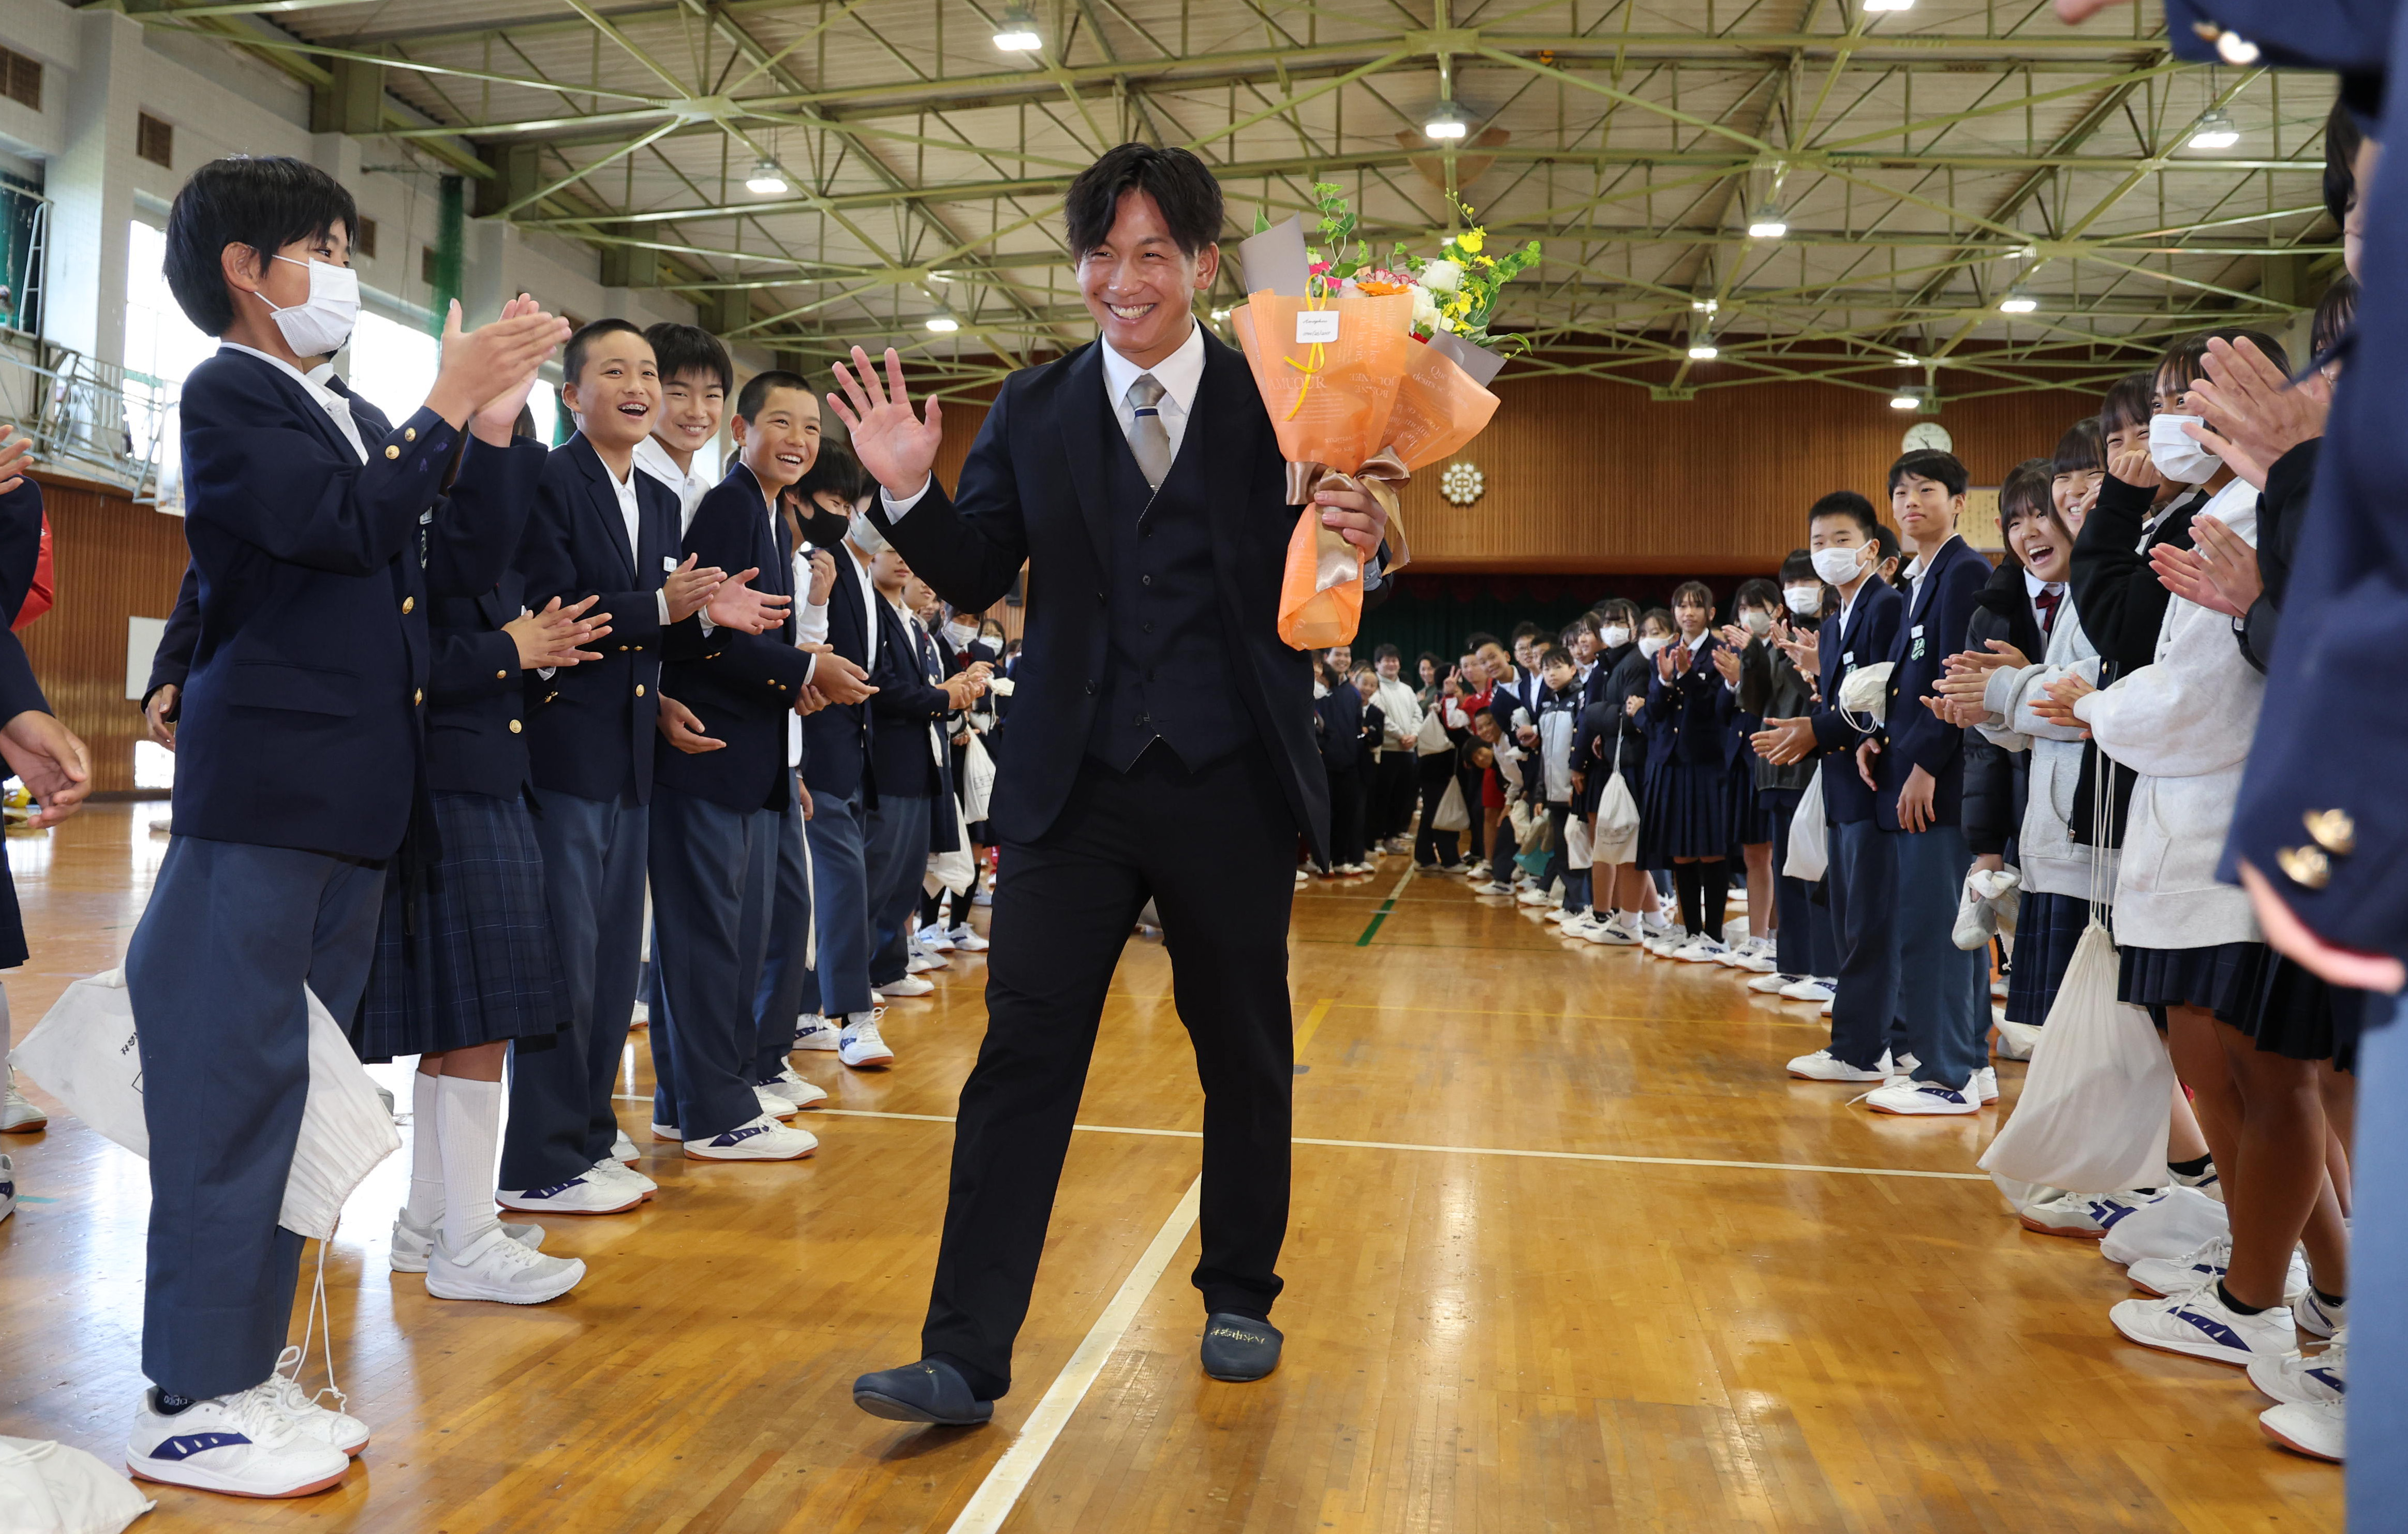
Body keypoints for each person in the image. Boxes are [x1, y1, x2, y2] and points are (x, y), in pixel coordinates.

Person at [828, 142, 1391, 1424]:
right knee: (1021, 1055)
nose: (1120, 278)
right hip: (1069, 787)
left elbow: (1342, 558)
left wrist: (1365, 532)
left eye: (1150, 253)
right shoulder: (1033, 408)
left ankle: (1240, 1286)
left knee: (1242, 1048)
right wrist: (908, 487)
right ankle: (963, 1354)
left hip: (1229, 773)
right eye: (1099, 252)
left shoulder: (1287, 398)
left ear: (1200, 265)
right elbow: (973, 573)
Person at [125, 154, 563, 1498]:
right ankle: (187, 1393)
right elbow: (332, 526)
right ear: (247, 273)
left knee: (296, 1092)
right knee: (229, 1088)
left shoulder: (349, 408)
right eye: (319, 243)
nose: (342, 268)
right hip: (266, 799)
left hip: (349, 810)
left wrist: (483, 421)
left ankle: (245, 1361)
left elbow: (452, 559)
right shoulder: (229, 392)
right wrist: (438, 407)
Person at [362, 404, 601, 1298]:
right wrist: (511, 650)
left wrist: (535, 660)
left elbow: (503, 665)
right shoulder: (420, 534)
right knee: (477, 1022)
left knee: (473, 1023)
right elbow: (407, 663)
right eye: (502, 441)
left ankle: (431, 1223)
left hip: (491, 784)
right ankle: (465, 1236)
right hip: (446, 790)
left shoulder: (493, 551)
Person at [502, 320, 740, 1210]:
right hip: (565, 754)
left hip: (627, 753)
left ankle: (589, 1133)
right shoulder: (549, 480)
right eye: (616, 371)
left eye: (648, 371)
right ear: (572, 395)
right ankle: (538, 1162)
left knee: (608, 966)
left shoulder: (650, 495)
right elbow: (556, 609)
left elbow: (639, 634)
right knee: (566, 961)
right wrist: (661, 606)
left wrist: (660, 699)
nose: (639, 386)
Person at [649, 369, 869, 1159]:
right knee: (710, 945)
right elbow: (707, 634)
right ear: (741, 430)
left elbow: (761, 641)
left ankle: (691, 1100)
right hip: (710, 754)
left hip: (755, 757)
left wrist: (797, 679)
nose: (798, 441)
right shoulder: (731, 506)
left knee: (739, 940)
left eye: (811, 428)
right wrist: (804, 675)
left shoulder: (774, 518)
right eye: (781, 422)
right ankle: (713, 1113)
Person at [1754, 492, 1907, 1073]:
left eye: (1841, 540)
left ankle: (1860, 1050)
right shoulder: (1839, 618)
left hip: (1872, 783)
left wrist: (1814, 730)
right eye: (1819, 542)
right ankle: (1882, 1040)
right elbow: (1850, 696)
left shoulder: (1886, 606)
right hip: (1843, 783)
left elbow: (1881, 700)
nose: (1828, 552)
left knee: (1869, 922)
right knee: (1852, 916)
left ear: (1871, 546)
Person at [1739, 554, 1835, 993]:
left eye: (1806, 579)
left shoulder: (1829, 626)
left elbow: (1821, 694)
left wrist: (1797, 656)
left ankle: (1825, 969)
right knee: (1787, 869)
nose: (1798, 588)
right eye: (1790, 581)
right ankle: (1793, 963)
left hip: (1810, 764)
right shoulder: (1778, 633)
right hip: (1772, 766)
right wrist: (1756, 653)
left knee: (1817, 867)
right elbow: (1755, 702)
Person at [1641, 582, 1732, 961]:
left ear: (1711, 613)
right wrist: (1664, 680)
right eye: (1681, 606)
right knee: (1679, 850)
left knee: (1710, 849)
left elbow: (1719, 707)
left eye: (1697, 606)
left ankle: (1713, 934)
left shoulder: (1722, 651)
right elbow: (1653, 714)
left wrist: (1688, 676)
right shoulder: (1662, 652)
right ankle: (1689, 929)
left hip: (1707, 761)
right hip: (1670, 761)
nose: (1688, 612)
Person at [633, 322, 728, 530]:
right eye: (679, 394)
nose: (697, 411)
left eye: (712, 395)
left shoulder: (703, 490)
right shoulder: (628, 478)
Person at [1367, 644, 1423, 854]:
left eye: (1395, 660)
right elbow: (1380, 717)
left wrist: (1414, 736)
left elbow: (1418, 715)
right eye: (1386, 660)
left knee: (1401, 798)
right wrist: (1401, 735)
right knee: (1382, 797)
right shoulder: (1376, 688)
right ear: (1377, 664)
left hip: (1407, 752)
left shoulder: (1407, 689)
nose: (1392, 664)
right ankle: (1377, 839)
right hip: (1387, 751)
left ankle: (1392, 837)